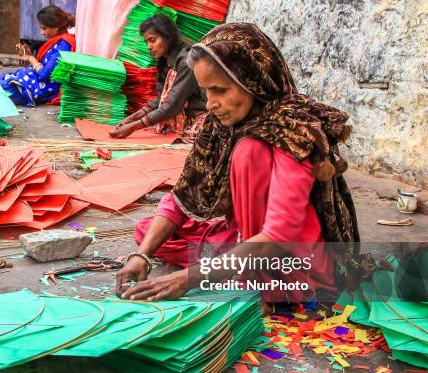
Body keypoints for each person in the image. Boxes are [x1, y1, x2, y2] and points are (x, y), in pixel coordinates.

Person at [115, 23, 360, 304]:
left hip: (290, 258)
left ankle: (258, 277)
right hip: (247, 236)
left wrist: (186, 280)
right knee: (150, 231)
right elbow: (182, 197)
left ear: (252, 82)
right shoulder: (221, 125)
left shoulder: (290, 131)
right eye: (206, 91)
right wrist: (141, 255)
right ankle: (235, 259)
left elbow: (279, 236)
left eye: (219, 90)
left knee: (248, 151)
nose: (210, 104)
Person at [109, 14, 206, 143]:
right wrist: (131, 118)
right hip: (182, 120)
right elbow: (162, 99)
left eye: (152, 40)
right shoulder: (166, 61)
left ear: (167, 37)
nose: (149, 46)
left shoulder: (186, 62)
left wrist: (133, 127)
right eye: (146, 42)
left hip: (198, 121)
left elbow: (172, 106)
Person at [0, 5, 76, 106]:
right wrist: (29, 55)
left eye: (44, 28)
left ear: (56, 28)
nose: (41, 33)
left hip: (35, 89)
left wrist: (31, 59)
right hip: (29, 82)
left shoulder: (64, 45)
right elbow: (45, 66)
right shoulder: (57, 42)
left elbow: (45, 75)